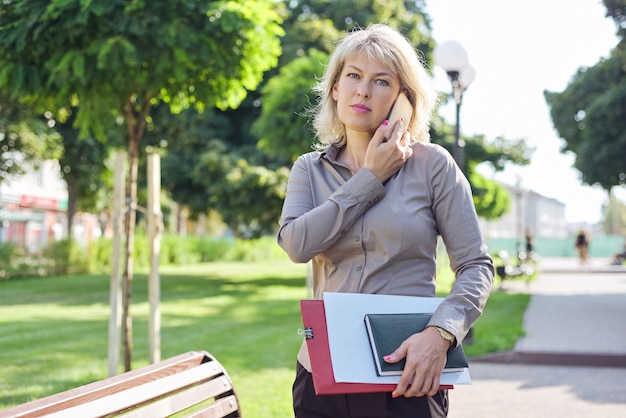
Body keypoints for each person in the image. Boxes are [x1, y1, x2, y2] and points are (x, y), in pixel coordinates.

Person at [277, 24, 494, 418]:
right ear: (335, 89)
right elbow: (295, 245)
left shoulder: (434, 167)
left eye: (381, 81)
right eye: (353, 76)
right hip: (322, 377)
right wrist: (370, 178)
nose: (363, 90)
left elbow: (476, 266)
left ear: (402, 101)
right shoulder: (308, 170)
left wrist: (440, 334)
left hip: (408, 375)